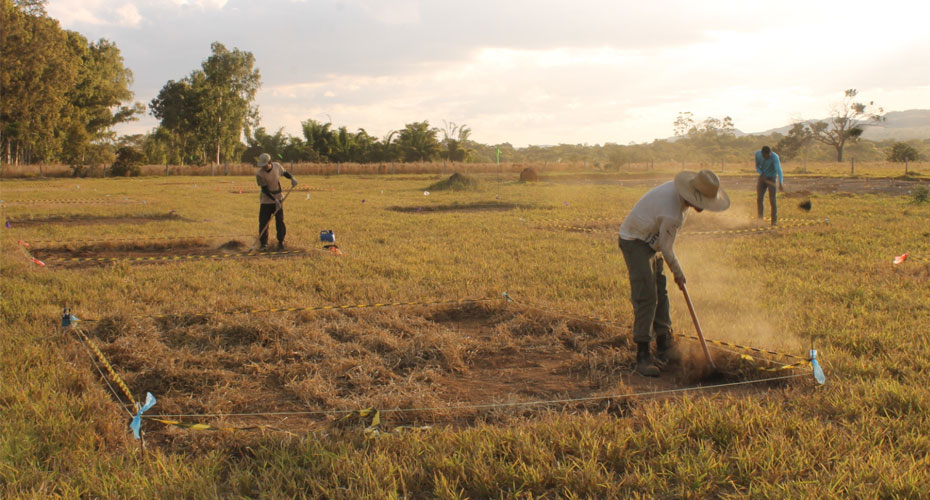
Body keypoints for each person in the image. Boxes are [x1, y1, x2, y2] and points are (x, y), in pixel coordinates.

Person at [618, 170, 730, 377]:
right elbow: (668, 249)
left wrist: (675, 272)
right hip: (635, 240)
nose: (704, 208)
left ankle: (664, 344)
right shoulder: (672, 213)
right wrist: (679, 273)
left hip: (652, 241)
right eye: (703, 202)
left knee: (662, 292)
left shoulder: (679, 199)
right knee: (647, 297)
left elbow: (664, 244)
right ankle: (642, 356)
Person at [255, 153, 298, 251]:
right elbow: (265, 190)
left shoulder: (277, 166)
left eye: (264, 165)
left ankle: (281, 242)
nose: (263, 167)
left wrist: (292, 178)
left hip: (279, 197)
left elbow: (285, 173)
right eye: (261, 166)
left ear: (270, 162)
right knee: (263, 222)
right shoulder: (259, 174)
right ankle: (263, 244)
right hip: (266, 201)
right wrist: (274, 201)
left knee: (280, 221)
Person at [755, 145, 783, 226]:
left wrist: (780, 183)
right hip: (762, 177)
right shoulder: (757, 154)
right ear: (762, 153)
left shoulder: (775, 157)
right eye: (765, 155)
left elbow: (779, 170)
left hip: (772, 178)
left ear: (770, 153)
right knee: (759, 199)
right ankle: (760, 220)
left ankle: (774, 221)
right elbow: (757, 166)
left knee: (772, 200)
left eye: (768, 155)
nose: (767, 157)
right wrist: (761, 173)